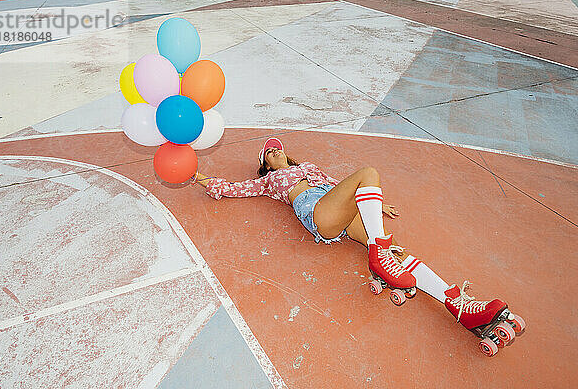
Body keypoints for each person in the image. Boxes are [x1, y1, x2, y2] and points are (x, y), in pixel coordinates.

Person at [192, 137, 525, 356]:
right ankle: (378, 255)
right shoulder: (268, 180)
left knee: (399, 252)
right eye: (269, 151)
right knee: (368, 172)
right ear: (265, 162)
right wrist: (204, 180)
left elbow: (341, 187)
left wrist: (376, 205)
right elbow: (238, 188)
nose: (275, 150)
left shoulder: (306, 166)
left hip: (335, 205)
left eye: (278, 147)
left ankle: (459, 307)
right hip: (316, 213)